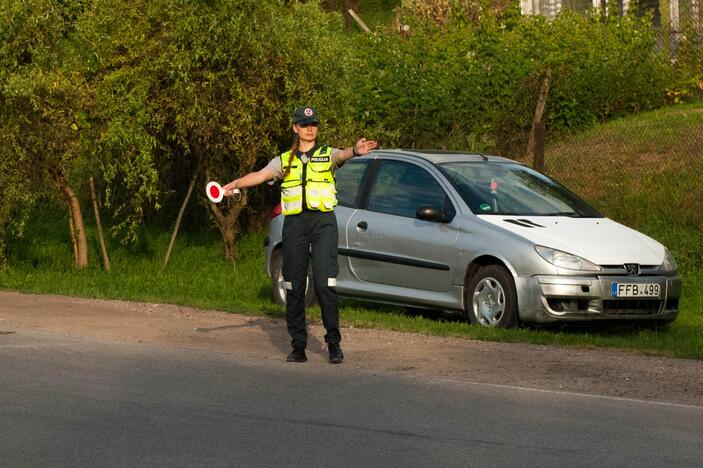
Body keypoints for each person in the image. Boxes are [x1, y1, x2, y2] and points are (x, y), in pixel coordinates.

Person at [222, 106, 378, 364]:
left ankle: (333, 344)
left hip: (322, 224)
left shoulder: (326, 154)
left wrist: (355, 151)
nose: (310, 128)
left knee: (324, 283)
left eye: (313, 123)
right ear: (295, 128)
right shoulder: (283, 160)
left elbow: (341, 155)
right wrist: (235, 184)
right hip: (294, 225)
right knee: (294, 285)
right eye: (304, 124)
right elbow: (260, 175)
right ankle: (298, 346)